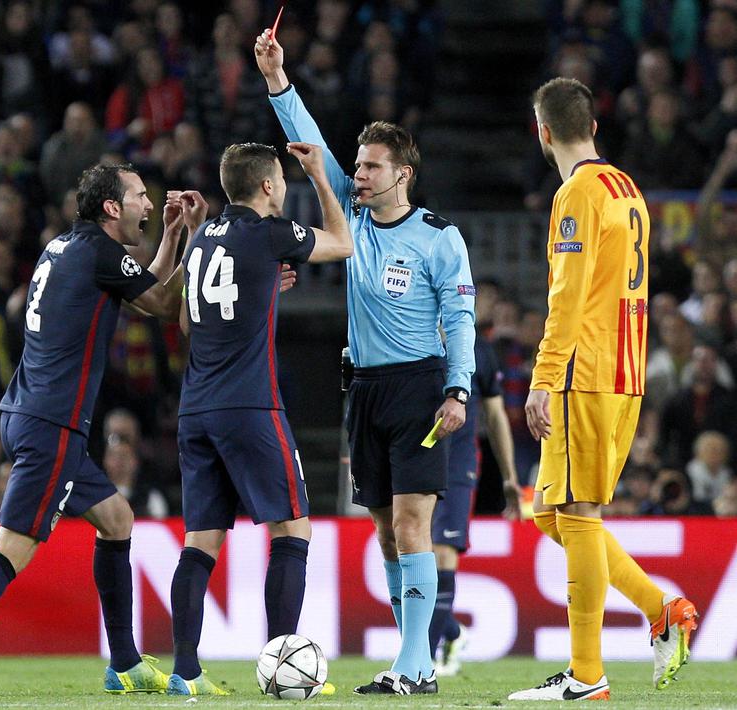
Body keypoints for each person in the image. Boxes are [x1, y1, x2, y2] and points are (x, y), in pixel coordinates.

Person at [0, 163, 188, 697]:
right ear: (111, 209)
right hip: (52, 424)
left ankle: (123, 662)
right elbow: (164, 303)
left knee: (116, 518)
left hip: (29, 413)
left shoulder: (62, 247)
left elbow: (142, 290)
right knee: (13, 548)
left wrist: (167, 235)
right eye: (141, 197)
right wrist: (188, 237)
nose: (149, 204)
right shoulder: (101, 254)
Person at [256, 29, 476, 695]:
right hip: (365, 391)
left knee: (413, 525)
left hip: (418, 387)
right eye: (357, 163)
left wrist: (457, 389)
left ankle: (416, 666)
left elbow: (461, 317)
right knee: (384, 534)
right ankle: (412, 661)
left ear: (402, 174)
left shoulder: (439, 237)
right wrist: (275, 77)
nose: (358, 172)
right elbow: (310, 145)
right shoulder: (348, 220)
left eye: (372, 165)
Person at [510, 77, 700, 702]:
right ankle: (659, 608)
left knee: (579, 516)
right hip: (625, 371)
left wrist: (542, 376)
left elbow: (566, 297)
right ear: (593, 126)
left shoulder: (576, 196)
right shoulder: (628, 188)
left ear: (543, 132)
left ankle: (587, 676)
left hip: (582, 373)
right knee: (551, 512)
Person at [167, 140, 353, 696]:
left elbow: (185, 322)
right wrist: (320, 177)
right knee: (292, 528)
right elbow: (342, 242)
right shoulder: (270, 233)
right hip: (249, 405)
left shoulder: (201, 241)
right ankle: (283, 664)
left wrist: (265, 284)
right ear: (270, 186)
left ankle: (185, 671)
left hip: (195, 407)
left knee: (200, 541)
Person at [429, 331, 521, 677]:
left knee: (442, 550)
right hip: (414, 460)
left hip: (457, 463)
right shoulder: (409, 336)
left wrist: (510, 475)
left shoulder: (478, 350)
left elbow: (496, 416)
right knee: (404, 556)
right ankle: (452, 632)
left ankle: (423, 659)